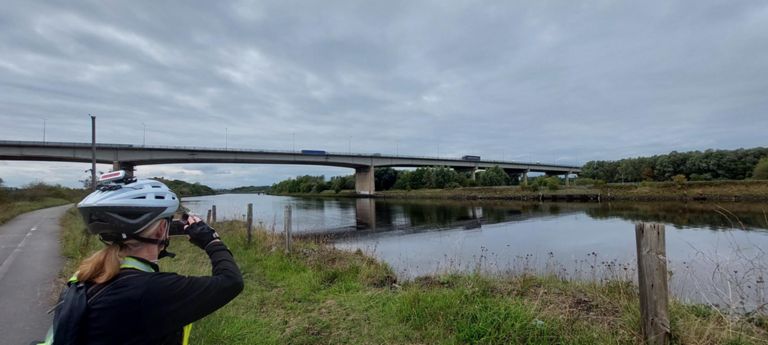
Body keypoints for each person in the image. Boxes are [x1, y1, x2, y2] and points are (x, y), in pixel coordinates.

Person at [37, 172, 243, 345]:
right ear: (162, 229)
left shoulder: (86, 276)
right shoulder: (150, 290)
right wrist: (211, 240)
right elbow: (231, 282)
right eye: (167, 222)